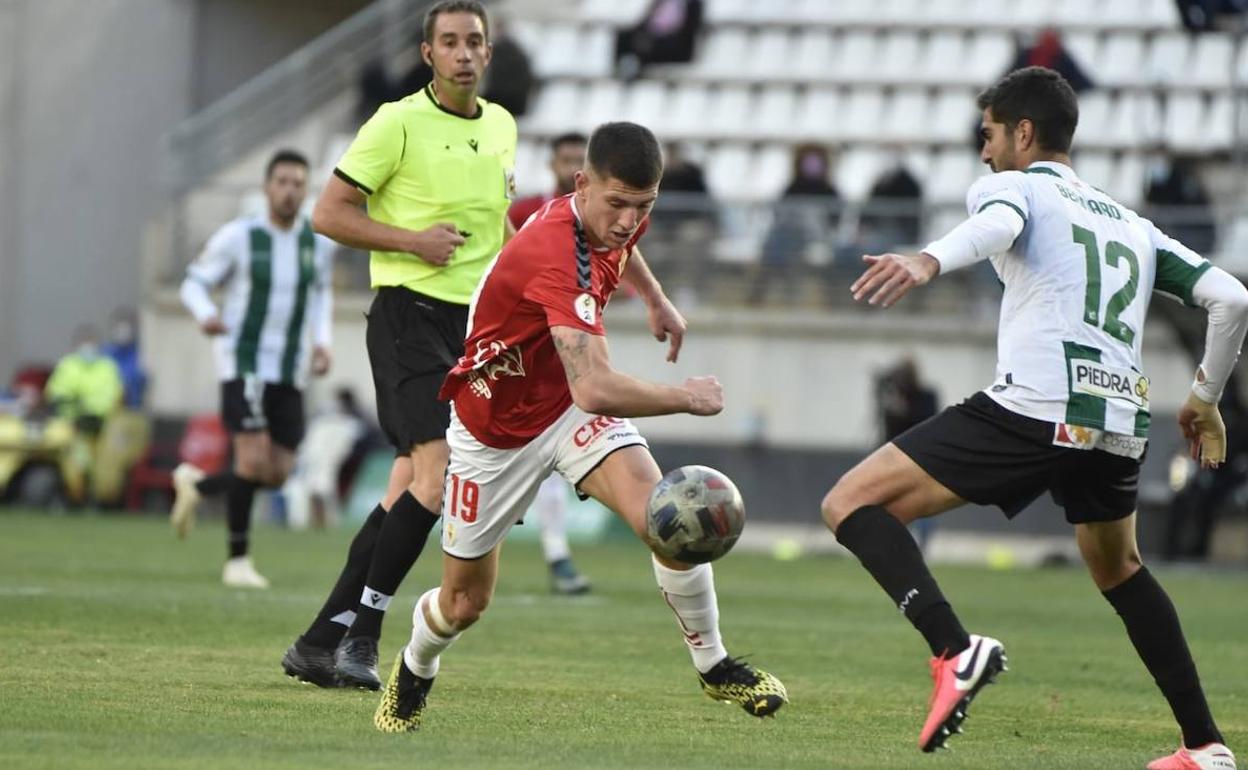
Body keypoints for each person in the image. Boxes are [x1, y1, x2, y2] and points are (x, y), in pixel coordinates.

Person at [820, 67, 1245, 768]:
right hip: (1117, 421)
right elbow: (1230, 298)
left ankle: (954, 651)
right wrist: (1203, 397)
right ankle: (1205, 746)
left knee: (850, 503)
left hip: (1037, 406)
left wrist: (930, 259)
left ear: (1022, 132)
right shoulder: (1132, 225)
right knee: (1120, 569)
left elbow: (998, 225)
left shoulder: (1012, 186)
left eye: (988, 135)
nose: (982, 152)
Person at [372, 121, 787, 732]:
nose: (627, 220)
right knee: (463, 604)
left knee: (666, 518)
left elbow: (623, 255)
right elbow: (594, 386)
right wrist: (684, 397)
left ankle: (715, 666)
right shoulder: (552, 254)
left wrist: (653, 296)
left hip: (565, 412)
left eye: (642, 206)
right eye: (617, 204)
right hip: (494, 427)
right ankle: (413, 668)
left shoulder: (619, 213)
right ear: (580, 185)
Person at [281, 0, 518, 691]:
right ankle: (365, 636)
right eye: (450, 42)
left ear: (489, 50)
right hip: (407, 316)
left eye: (475, 41)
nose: (464, 53)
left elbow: (499, 231)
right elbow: (329, 214)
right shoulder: (396, 123)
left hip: (473, 332)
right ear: (427, 54)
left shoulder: (502, 126)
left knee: (407, 488)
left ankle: (320, 640)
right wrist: (414, 241)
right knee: (438, 475)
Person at [172, 149, 335, 589]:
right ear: (267, 187)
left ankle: (198, 486)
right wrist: (206, 313)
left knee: (279, 471)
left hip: (289, 368)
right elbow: (193, 282)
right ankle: (237, 562)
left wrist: (323, 343)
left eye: (297, 183)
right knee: (252, 457)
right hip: (242, 361)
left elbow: (321, 297)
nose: (289, 191)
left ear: (306, 190)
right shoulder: (238, 237)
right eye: (281, 182)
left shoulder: (315, 243)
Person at [508, 132, 586, 230]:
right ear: (552, 164)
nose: (573, 169)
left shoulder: (600, 213)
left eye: (580, 161)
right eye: (566, 161)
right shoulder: (524, 211)